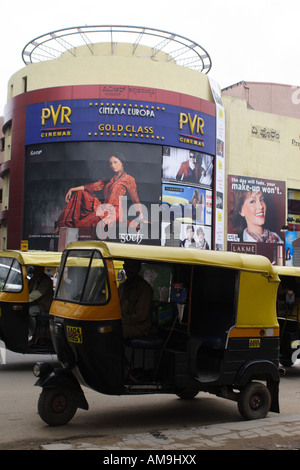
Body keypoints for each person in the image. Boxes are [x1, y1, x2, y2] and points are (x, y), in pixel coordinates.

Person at [54, 152, 144, 236]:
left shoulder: (128, 179)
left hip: (114, 212)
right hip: (104, 208)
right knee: (80, 193)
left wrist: (141, 216)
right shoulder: (109, 179)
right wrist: (72, 189)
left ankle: (67, 232)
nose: (113, 165)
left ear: (122, 163)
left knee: (83, 223)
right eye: (111, 163)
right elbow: (92, 186)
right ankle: (60, 225)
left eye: (115, 162)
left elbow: (135, 199)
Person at [118, 259, 153, 339]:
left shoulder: (145, 288)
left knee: (114, 330)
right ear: (124, 267)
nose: (129, 270)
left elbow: (140, 316)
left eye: (133, 267)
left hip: (139, 327)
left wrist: (119, 320)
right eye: (127, 266)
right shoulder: (122, 285)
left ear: (139, 268)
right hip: (124, 322)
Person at [28, 266, 54, 339]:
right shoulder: (34, 278)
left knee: (30, 311)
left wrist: (24, 299)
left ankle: (31, 333)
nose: (35, 271)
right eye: (35, 269)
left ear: (42, 270)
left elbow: (37, 293)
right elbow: (28, 289)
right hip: (35, 302)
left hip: (43, 306)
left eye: (37, 269)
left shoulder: (46, 280)